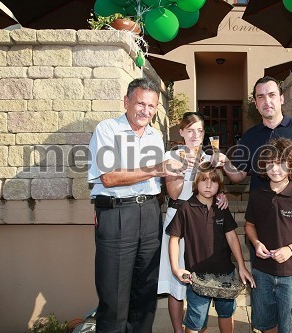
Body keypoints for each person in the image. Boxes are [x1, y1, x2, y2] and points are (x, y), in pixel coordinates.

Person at [221, 76, 292, 326]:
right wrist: (223, 162)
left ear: (281, 98)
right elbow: (237, 177)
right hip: (262, 227)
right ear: (255, 104)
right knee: (264, 291)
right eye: (260, 97)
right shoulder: (250, 136)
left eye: (271, 95)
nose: (266, 101)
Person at [88, 78, 183, 333]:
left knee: (145, 294)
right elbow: (109, 177)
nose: (146, 111)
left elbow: (164, 179)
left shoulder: (155, 135)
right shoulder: (108, 130)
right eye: (141, 103)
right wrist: (157, 169)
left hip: (151, 213)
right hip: (117, 214)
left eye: (151, 106)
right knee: (115, 297)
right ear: (127, 102)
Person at [157, 112, 228, 333]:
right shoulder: (174, 155)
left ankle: (198, 327)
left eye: (199, 130)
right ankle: (179, 331)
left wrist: (220, 196)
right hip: (177, 220)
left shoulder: (210, 158)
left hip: (201, 224)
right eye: (190, 130)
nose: (195, 135)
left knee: (200, 278)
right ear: (182, 132)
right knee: (176, 282)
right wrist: (186, 169)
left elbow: (213, 187)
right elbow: (175, 193)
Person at [166, 162, 255, 333]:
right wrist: (176, 268)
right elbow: (174, 238)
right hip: (197, 277)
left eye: (213, 181)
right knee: (195, 321)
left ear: (219, 186)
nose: (208, 185)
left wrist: (242, 266)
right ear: (195, 182)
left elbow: (232, 237)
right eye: (204, 180)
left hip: (225, 274)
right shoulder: (185, 208)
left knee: (226, 314)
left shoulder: (221, 207)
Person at [245, 137, 292, 332]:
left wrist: (290, 249)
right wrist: (256, 242)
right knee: (265, 323)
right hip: (262, 272)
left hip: (290, 275)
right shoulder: (257, 195)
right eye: (270, 163)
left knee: (291, 326)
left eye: (280, 163)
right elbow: (249, 225)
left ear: (291, 164)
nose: (275, 169)